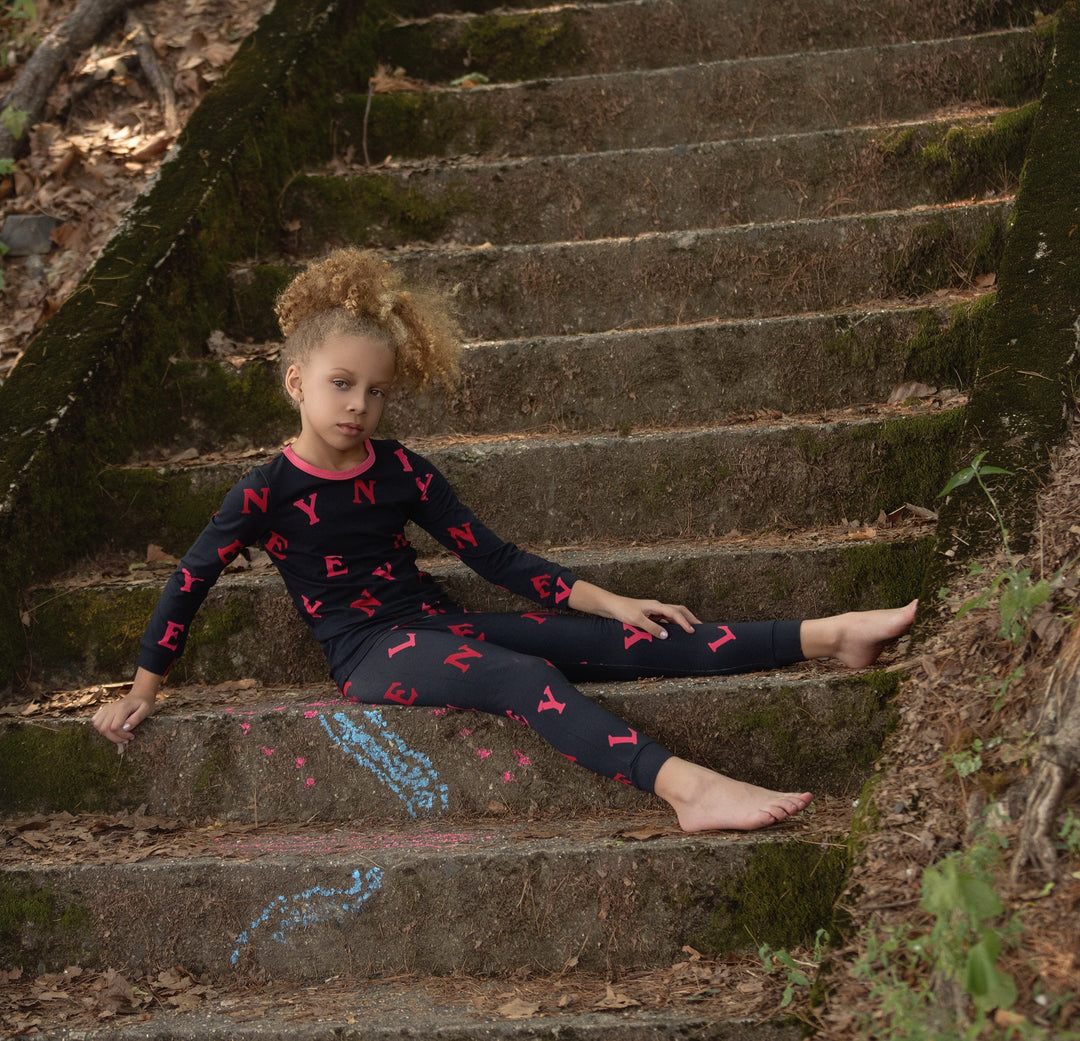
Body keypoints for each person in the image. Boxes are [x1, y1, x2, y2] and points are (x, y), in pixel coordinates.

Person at [93, 248, 916, 832]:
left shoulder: (400, 469)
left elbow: (496, 558)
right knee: (523, 676)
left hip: (440, 624)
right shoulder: (265, 490)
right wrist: (145, 688)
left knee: (628, 639)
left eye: (376, 391)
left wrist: (612, 600)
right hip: (370, 653)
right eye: (341, 384)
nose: (358, 405)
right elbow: (191, 579)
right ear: (296, 382)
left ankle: (828, 637)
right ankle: (686, 789)